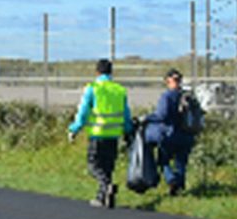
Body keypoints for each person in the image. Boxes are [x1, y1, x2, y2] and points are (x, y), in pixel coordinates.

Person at [68, 59, 133, 208]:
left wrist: (74, 129)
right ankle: (103, 198)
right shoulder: (119, 89)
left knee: (93, 166)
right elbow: (125, 113)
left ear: (97, 72)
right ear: (111, 72)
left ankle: (106, 185)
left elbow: (83, 112)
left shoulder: (93, 88)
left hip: (98, 133)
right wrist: (128, 130)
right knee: (108, 167)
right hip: (113, 135)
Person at [144, 69, 197, 196]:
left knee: (163, 160)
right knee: (181, 162)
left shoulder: (167, 96)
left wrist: (146, 118)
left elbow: (161, 115)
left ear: (168, 81)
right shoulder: (188, 96)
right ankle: (180, 185)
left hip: (170, 134)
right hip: (187, 134)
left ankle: (172, 180)